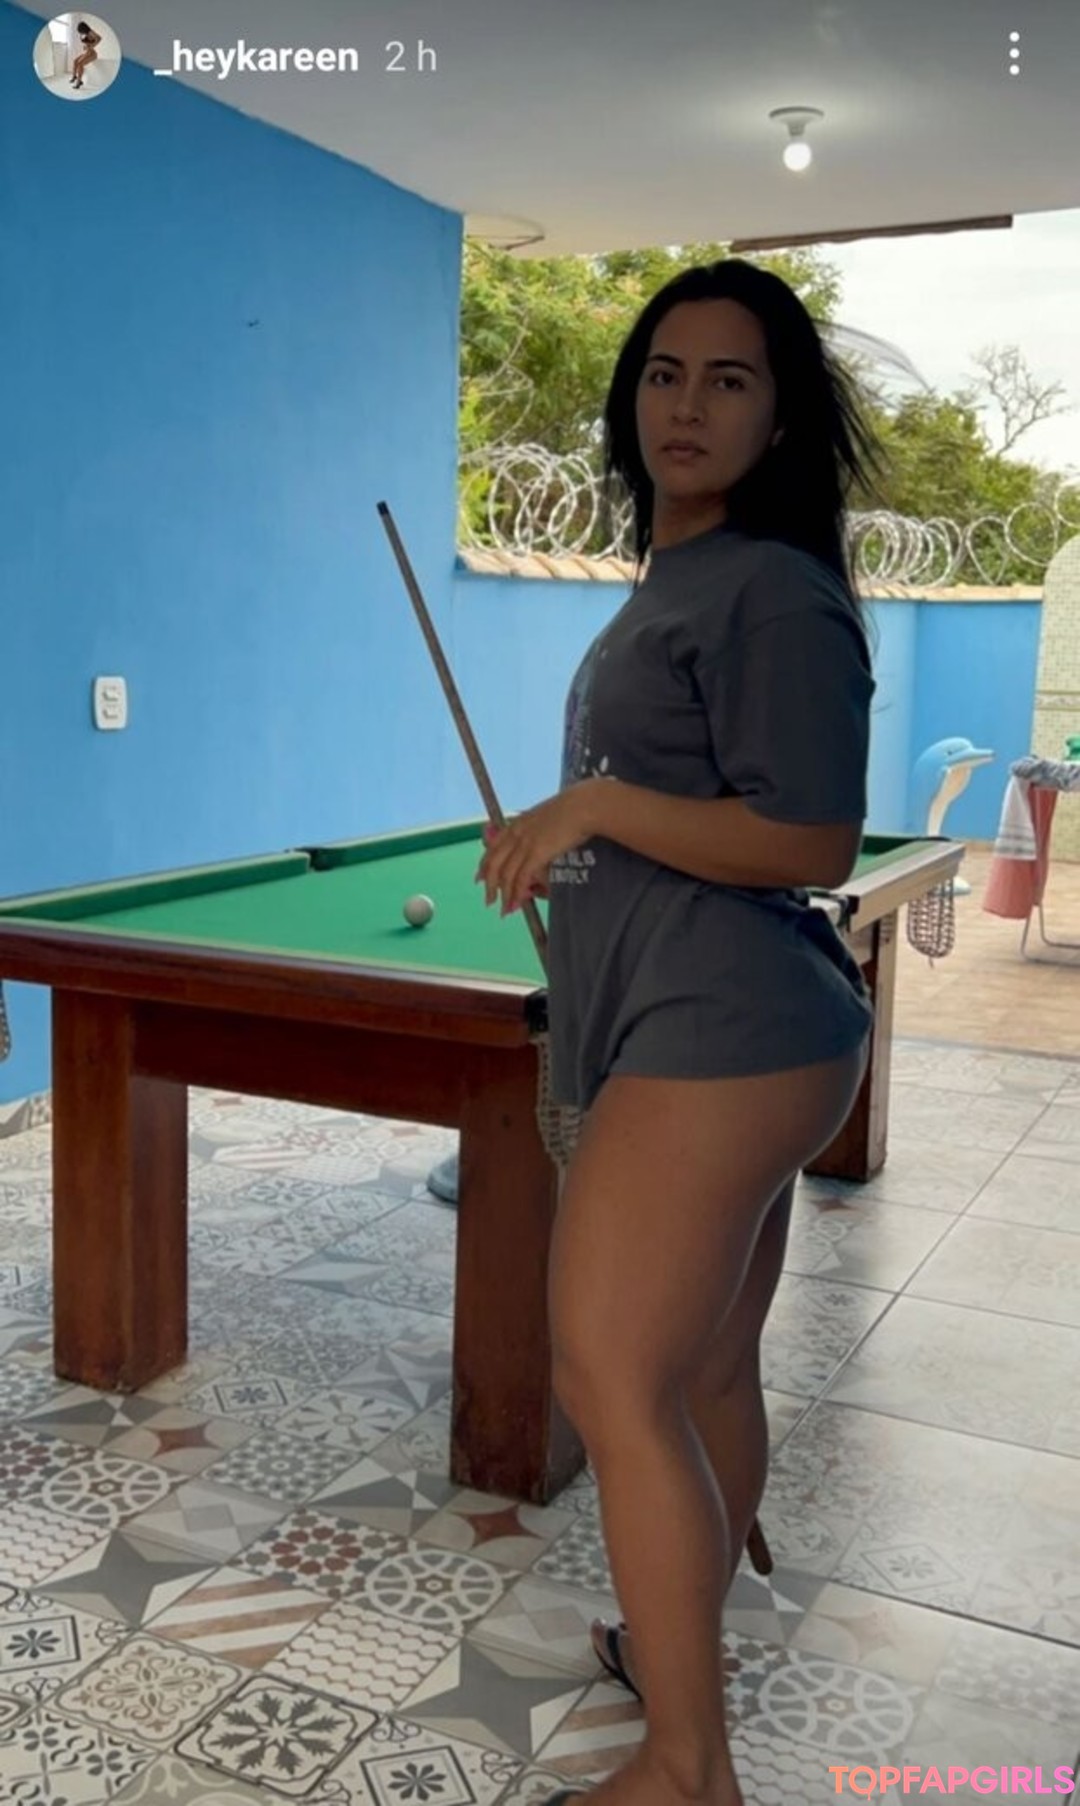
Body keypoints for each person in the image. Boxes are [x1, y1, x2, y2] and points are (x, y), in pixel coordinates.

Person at [474, 258, 884, 1806]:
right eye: (662, 372)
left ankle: (687, 1768)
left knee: (610, 1373)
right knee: (705, 1369)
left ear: (778, 418)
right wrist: (570, 841)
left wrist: (588, 803)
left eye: (728, 378)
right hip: (722, 1021)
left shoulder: (772, 586)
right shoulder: (684, 578)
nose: (687, 404)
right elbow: (681, 818)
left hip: (726, 1029)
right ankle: (673, 1657)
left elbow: (809, 837)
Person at [70, 20, 101, 90]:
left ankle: (79, 82)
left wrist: (92, 46)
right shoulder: (86, 34)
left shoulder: (90, 32)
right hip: (87, 52)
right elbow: (88, 42)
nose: (80, 32)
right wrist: (86, 46)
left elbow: (99, 38)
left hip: (92, 54)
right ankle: (74, 76)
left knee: (80, 63)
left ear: (83, 28)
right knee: (75, 61)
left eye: (80, 30)